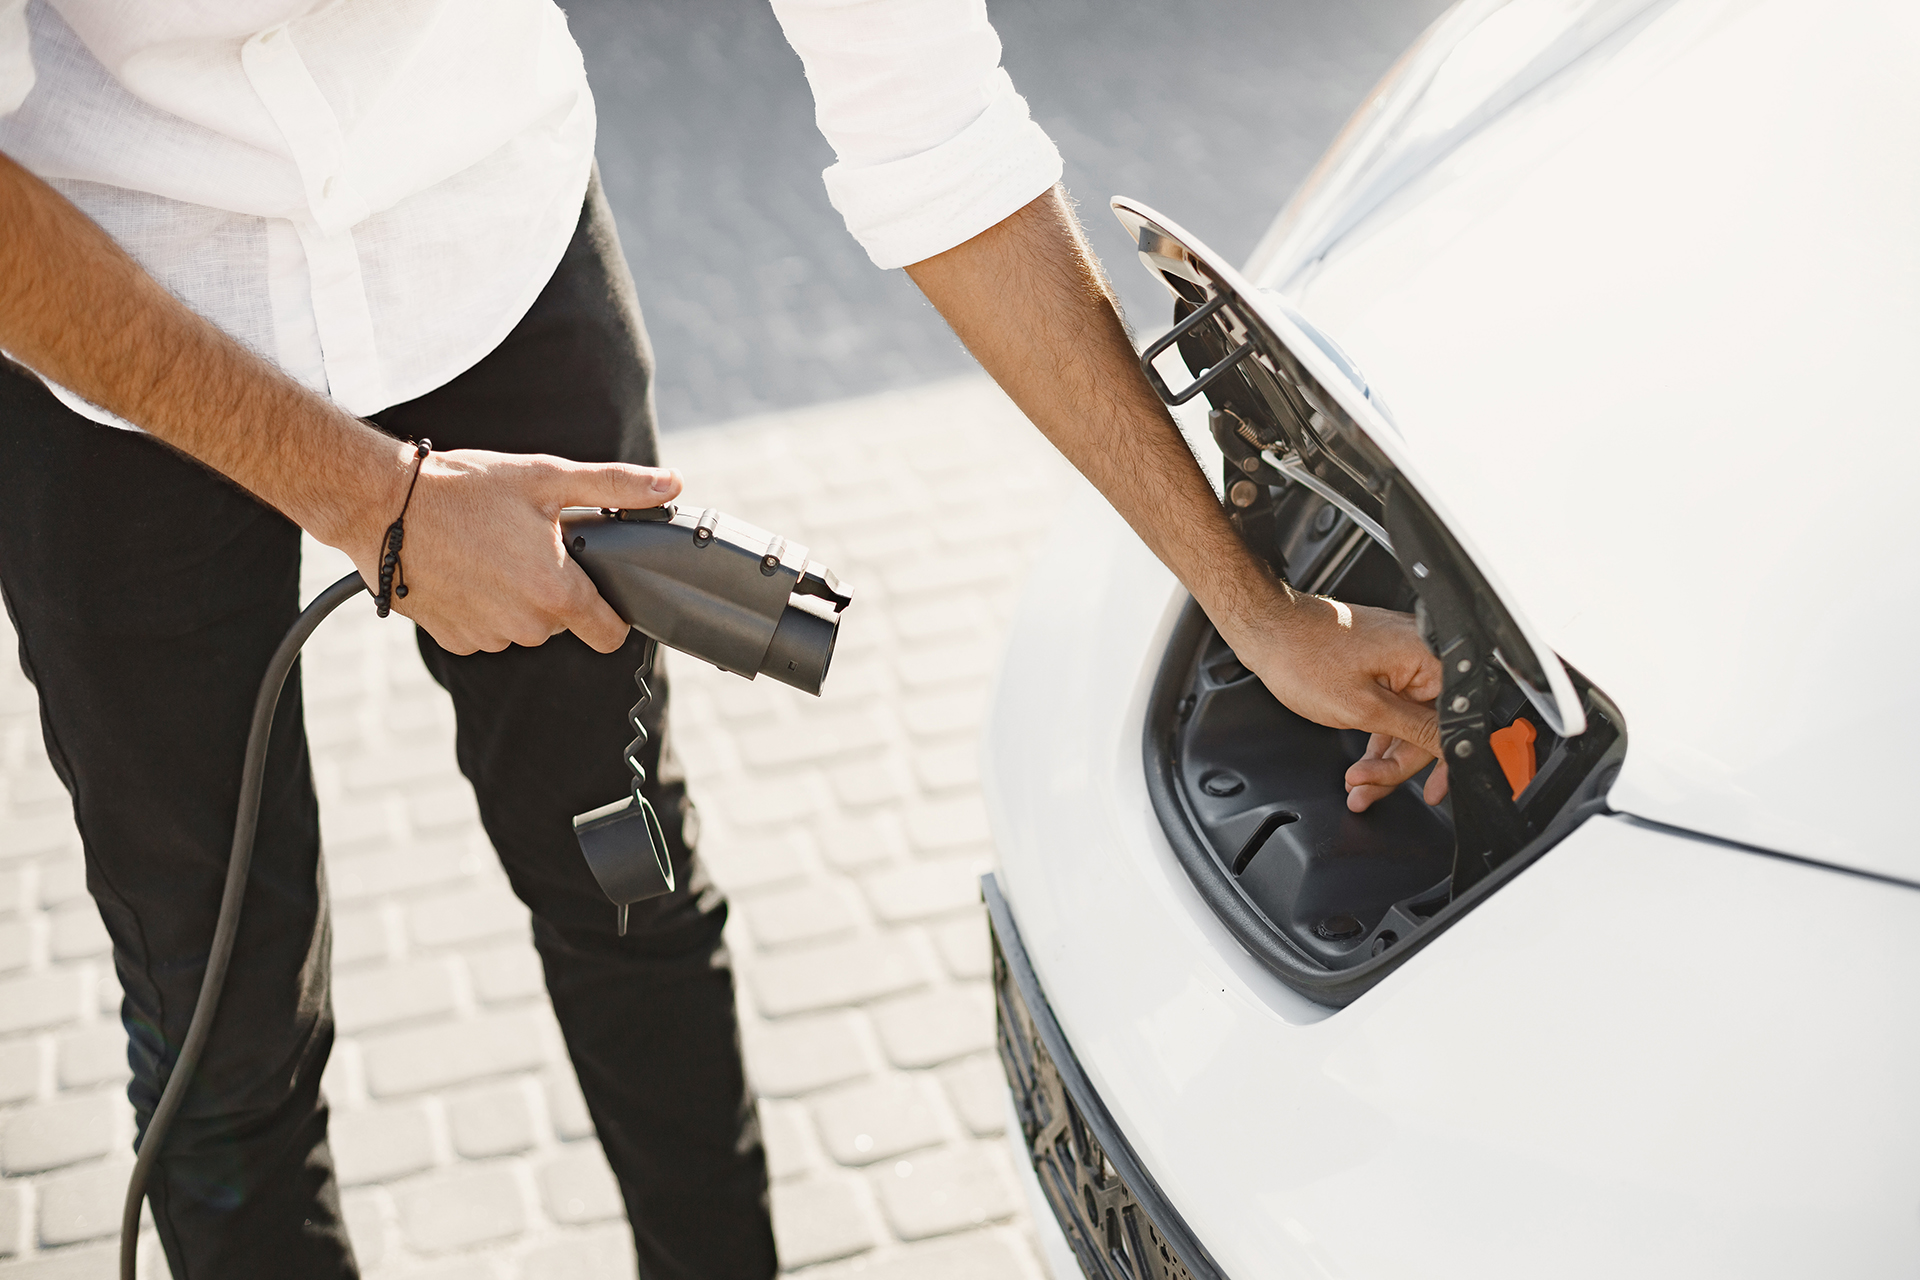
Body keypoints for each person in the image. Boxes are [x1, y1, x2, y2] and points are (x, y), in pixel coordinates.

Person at [0, 1, 1443, 1276]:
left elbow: (934, 123)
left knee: (628, 889)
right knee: (219, 1021)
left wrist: (1256, 607)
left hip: (487, 244)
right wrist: (380, 506)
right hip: (112, 346)